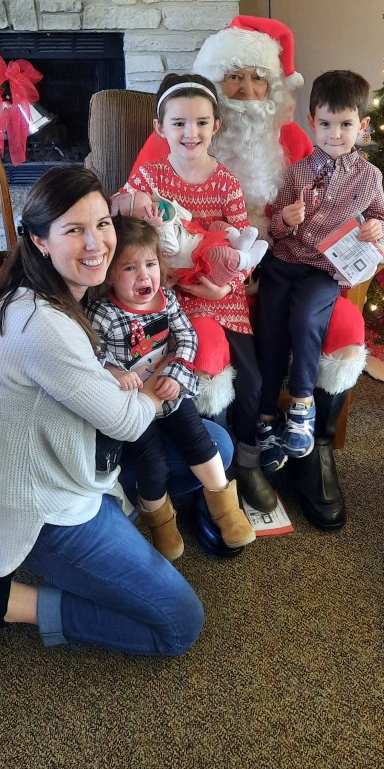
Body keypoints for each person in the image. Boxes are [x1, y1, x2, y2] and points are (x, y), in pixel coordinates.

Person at [0, 166, 232, 677]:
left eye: (102, 224)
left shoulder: (58, 294)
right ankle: (6, 601)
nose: (96, 243)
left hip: (75, 459)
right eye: (74, 230)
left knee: (216, 445)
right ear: (40, 240)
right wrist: (157, 378)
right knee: (179, 623)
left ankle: (131, 510)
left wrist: (149, 374)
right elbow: (127, 421)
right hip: (45, 507)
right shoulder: (44, 326)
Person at [132, 15, 384, 530]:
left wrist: (373, 237)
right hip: (192, 287)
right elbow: (134, 226)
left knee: (346, 328)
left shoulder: (299, 138)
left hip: (289, 272)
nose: (248, 91)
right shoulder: (170, 140)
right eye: (234, 78)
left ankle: (312, 450)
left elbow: (353, 214)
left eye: (258, 78)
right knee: (211, 351)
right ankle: (216, 462)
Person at [122, 73, 276, 513]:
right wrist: (131, 207)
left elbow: (242, 249)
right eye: (179, 123)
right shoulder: (150, 177)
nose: (191, 133)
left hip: (222, 293)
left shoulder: (226, 182)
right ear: (160, 128)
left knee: (251, 378)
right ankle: (204, 467)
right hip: (172, 295)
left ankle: (243, 461)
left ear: (215, 126)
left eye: (201, 122)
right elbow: (124, 225)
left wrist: (226, 285)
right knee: (201, 366)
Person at [86, 214, 255, 560]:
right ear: (110, 275)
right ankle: (161, 524)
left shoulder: (167, 299)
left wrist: (176, 372)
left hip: (171, 391)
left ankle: (226, 511)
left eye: (150, 264)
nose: (144, 275)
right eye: (130, 268)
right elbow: (90, 355)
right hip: (135, 405)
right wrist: (114, 372)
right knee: (153, 463)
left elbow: (187, 337)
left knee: (198, 439)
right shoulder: (104, 313)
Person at [256, 70, 384, 466]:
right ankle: (265, 416)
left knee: (305, 318)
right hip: (283, 263)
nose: (335, 134)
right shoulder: (295, 172)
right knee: (271, 327)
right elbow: (273, 229)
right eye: (327, 124)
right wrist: (285, 220)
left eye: (346, 124)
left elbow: (382, 219)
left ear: (362, 126)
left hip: (323, 271)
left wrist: (376, 228)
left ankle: (301, 405)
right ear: (312, 122)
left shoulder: (369, 177)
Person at [110, 186, 268, 288]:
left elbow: (188, 217)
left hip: (203, 240)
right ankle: (247, 259)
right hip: (201, 264)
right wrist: (159, 227)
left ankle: (239, 243)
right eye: (148, 210)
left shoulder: (227, 183)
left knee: (217, 226)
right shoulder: (151, 236)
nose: (156, 206)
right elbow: (172, 248)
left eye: (152, 202)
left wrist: (172, 208)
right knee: (219, 255)